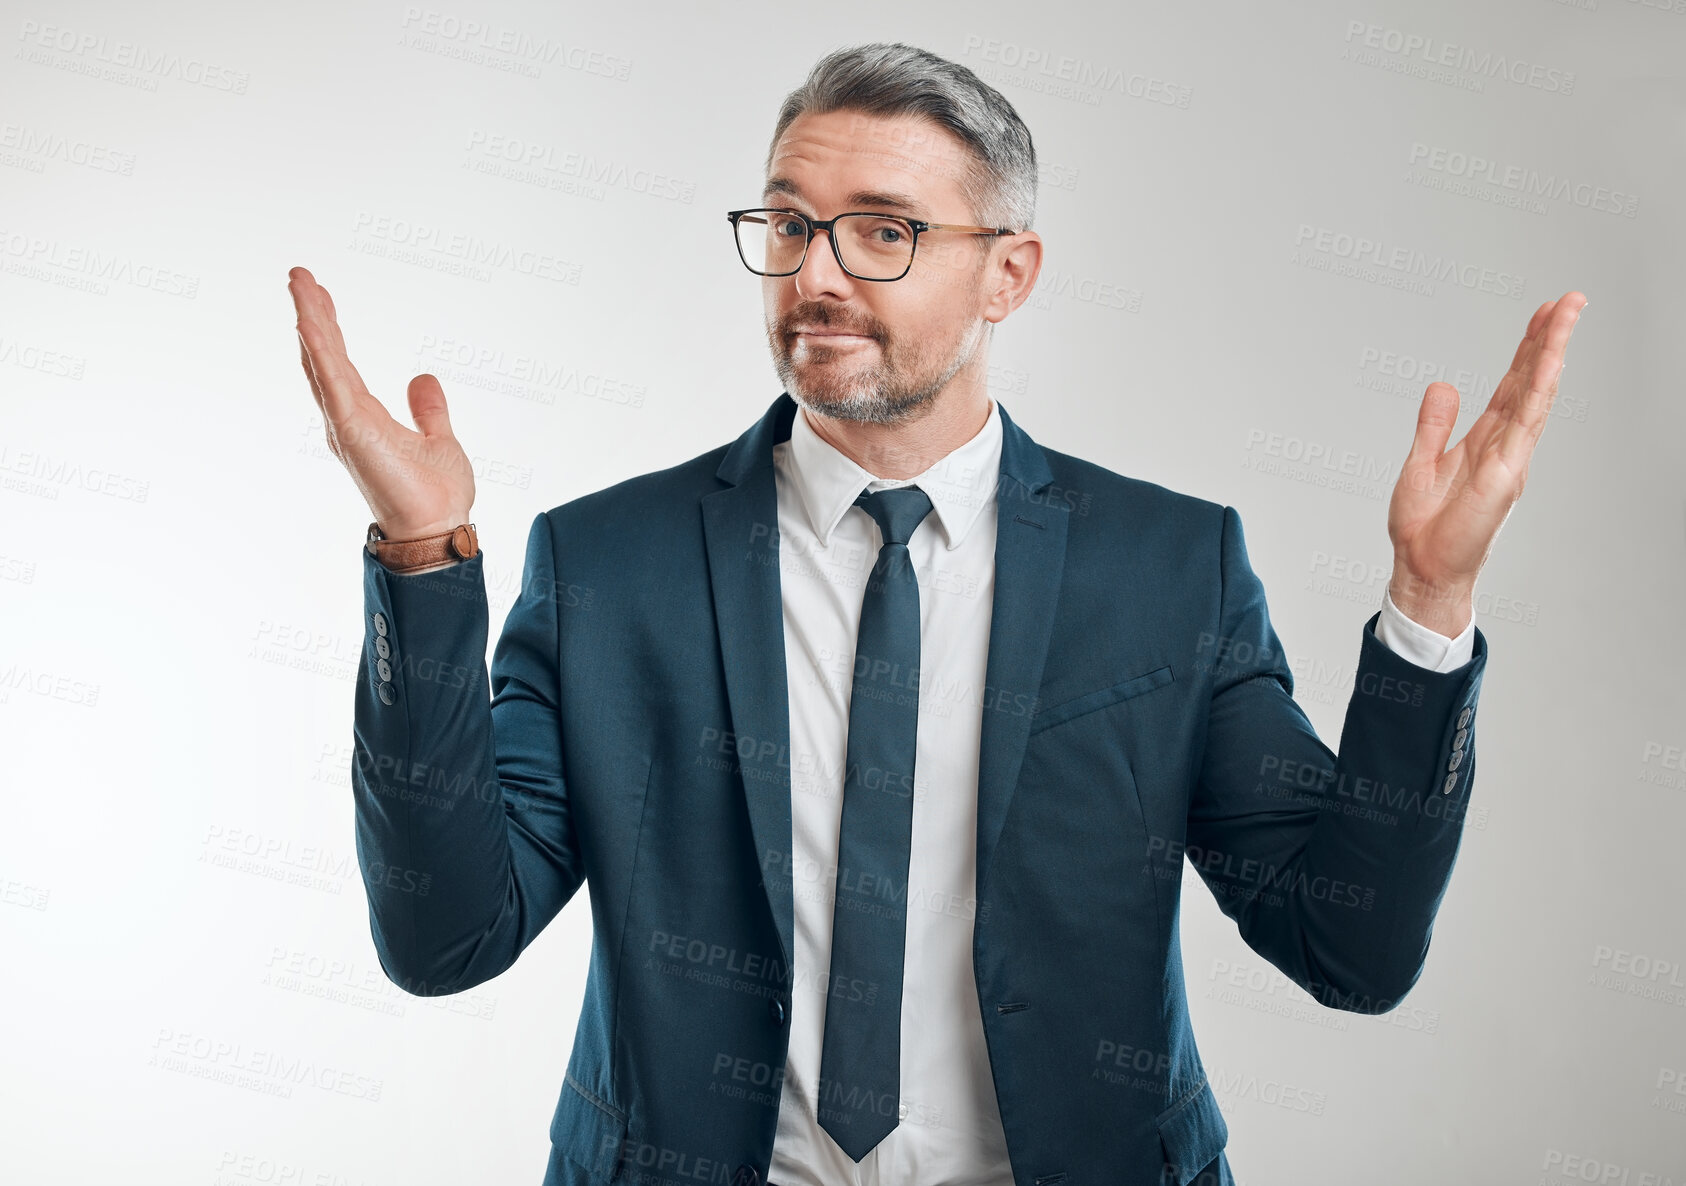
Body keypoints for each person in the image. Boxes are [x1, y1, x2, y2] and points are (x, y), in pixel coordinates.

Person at [289, 41, 1584, 1186]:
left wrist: (1428, 600)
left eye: (883, 231)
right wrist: (421, 556)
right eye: (789, 224)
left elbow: (1346, 944)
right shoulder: (608, 563)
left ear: (1005, 274)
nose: (818, 276)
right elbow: (445, 933)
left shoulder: (1165, 570)